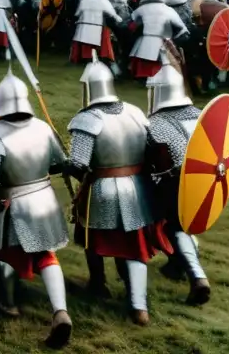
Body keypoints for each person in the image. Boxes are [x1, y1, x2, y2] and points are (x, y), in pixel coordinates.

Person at [0, 69, 72, 348]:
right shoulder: (43, 128)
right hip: (44, 200)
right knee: (46, 255)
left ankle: (8, 304)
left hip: (12, 206)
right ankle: (60, 310)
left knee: (5, 253)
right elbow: (59, 163)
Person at [67, 53, 166, 326]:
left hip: (102, 191)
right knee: (135, 247)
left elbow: (78, 164)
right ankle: (138, 305)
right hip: (138, 190)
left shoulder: (87, 119)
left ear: (87, 87)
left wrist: (63, 165)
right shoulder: (135, 112)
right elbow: (152, 153)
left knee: (94, 241)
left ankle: (99, 285)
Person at [145, 55, 210, 306]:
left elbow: (151, 159)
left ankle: (197, 277)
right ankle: (175, 266)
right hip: (205, 182)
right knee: (184, 223)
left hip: (176, 185)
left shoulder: (156, 124)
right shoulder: (200, 114)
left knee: (174, 225)